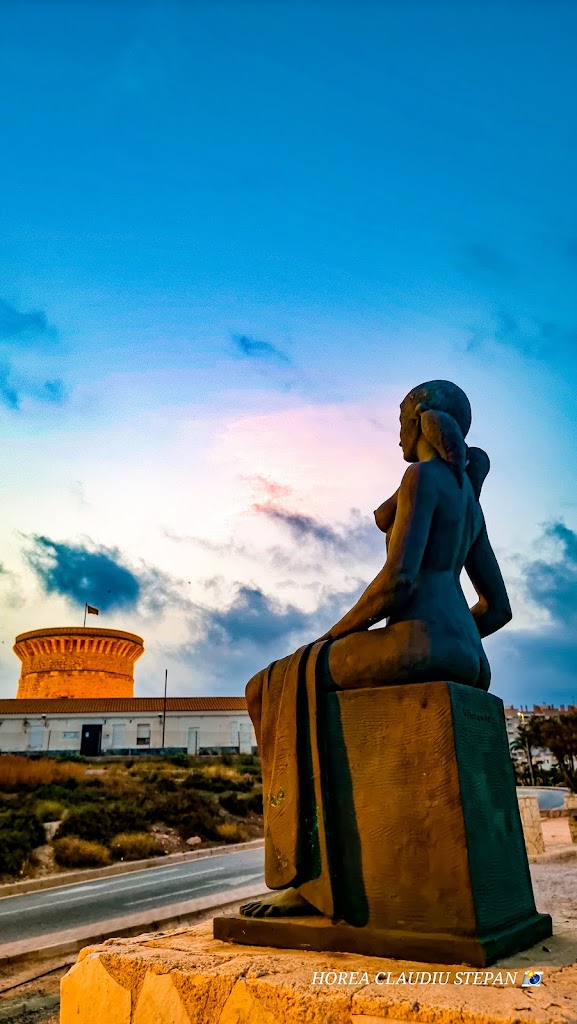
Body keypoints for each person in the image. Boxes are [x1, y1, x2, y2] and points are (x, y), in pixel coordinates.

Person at [241, 380, 512, 919]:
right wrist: (454, 637)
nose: (397, 438)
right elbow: (498, 609)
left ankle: (305, 875)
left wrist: (330, 638)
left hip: (420, 641)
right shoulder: (469, 501)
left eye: (399, 423)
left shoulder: (423, 476)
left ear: (420, 421)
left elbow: (399, 581)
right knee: (304, 678)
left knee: (271, 684)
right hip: (469, 654)